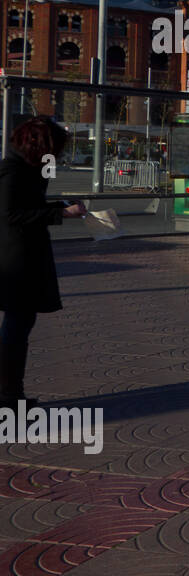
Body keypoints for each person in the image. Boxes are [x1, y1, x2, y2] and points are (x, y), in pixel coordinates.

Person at [0, 117, 87, 409]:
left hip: (25, 257)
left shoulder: (26, 168)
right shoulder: (11, 171)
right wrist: (59, 214)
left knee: (20, 325)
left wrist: (61, 208)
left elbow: (27, 207)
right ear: (38, 145)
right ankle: (7, 398)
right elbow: (10, 215)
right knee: (16, 327)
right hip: (14, 261)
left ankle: (11, 395)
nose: (56, 156)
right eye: (54, 149)